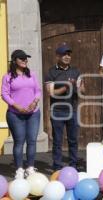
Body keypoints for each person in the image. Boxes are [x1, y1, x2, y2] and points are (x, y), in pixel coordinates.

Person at [1, 50, 41, 179]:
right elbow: (4, 94)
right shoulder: (7, 77)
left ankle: (30, 167)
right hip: (15, 115)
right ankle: (19, 169)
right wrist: (16, 105)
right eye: (22, 58)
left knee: (32, 141)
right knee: (19, 142)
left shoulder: (32, 75)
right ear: (14, 60)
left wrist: (35, 102)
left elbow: (38, 90)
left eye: (26, 58)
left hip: (33, 114)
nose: (25, 60)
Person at [45, 45, 85, 170]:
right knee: (57, 141)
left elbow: (82, 91)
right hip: (57, 111)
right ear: (58, 56)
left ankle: (73, 164)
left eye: (69, 54)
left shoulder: (76, 71)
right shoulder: (51, 72)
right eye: (64, 54)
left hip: (72, 110)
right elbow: (51, 92)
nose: (67, 57)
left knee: (73, 140)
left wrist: (80, 86)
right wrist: (66, 87)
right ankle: (57, 166)